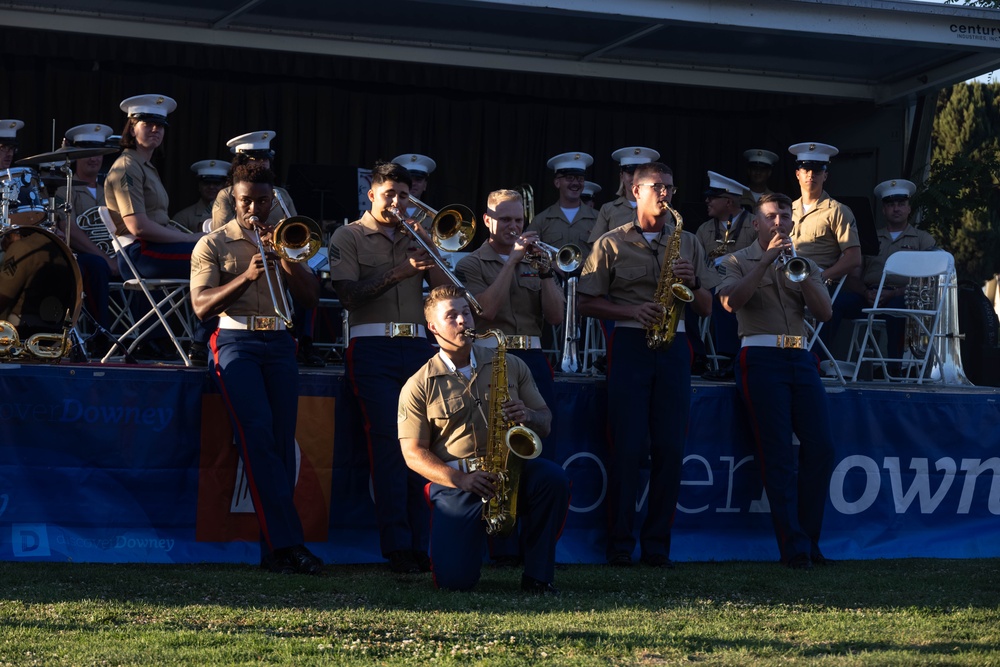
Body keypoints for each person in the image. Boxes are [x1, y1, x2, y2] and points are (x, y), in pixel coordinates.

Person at [577, 161, 713, 568]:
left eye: (670, 187)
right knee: (628, 446)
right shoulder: (610, 242)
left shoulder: (688, 241)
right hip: (631, 341)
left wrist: (692, 284)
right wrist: (632, 310)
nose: (665, 194)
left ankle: (657, 547)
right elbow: (584, 301)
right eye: (657, 187)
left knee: (670, 449)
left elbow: (708, 307)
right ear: (635, 192)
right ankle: (620, 544)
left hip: (676, 345)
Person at [190, 160, 322, 575]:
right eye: (247, 200)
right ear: (233, 197)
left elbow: (311, 299)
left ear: (274, 200)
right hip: (235, 342)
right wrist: (246, 277)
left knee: (281, 443)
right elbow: (200, 307)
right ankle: (290, 544)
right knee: (259, 437)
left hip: (280, 341)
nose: (255, 209)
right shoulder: (212, 243)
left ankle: (275, 553)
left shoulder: (286, 239)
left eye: (263, 201)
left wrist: (286, 259)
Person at [397, 285, 570, 593]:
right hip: (459, 481)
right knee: (455, 583)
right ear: (432, 327)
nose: (463, 321)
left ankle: (538, 575)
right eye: (452, 316)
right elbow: (412, 454)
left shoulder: (512, 364)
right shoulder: (418, 384)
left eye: (466, 312)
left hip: (508, 469)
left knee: (552, 478)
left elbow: (545, 421)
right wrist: (459, 479)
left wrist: (528, 416)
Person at [327, 160, 447, 574]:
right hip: (372, 346)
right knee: (390, 443)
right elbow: (348, 296)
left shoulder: (416, 235)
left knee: (424, 443)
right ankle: (398, 545)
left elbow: (445, 296)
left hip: (417, 345)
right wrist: (400, 270)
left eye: (404, 196)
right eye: (389, 194)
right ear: (371, 194)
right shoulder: (349, 235)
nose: (397, 202)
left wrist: (430, 254)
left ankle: (423, 542)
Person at [717, 192, 835, 569]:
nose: (779, 223)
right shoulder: (736, 260)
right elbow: (731, 302)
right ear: (757, 223)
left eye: (785, 216)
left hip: (800, 356)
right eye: (771, 217)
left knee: (821, 448)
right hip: (760, 355)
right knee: (778, 453)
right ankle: (793, 548)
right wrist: (765, 261)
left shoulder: (802, 263)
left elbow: (825, 313)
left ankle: (810, 541)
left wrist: (799, 275)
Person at [103, 94, 212, 363]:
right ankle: (202, 344)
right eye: (147, 123)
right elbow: (138, 227)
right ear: (131, 127)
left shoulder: (145, 166)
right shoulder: (127, 166)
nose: (155, 130)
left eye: (160, 125)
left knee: (219, 257)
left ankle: (205, 341)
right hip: (141, 256)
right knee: (216, 263)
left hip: (154, 251)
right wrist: (193, 240)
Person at [455, 188, 564, 457]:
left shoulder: (536, 260)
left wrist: (547, 272)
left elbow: (556, 317)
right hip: (492, 358)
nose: (514, 226)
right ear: (487, 220)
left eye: (518, 220)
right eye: (505, 220)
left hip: (533, 357)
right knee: (495, 441)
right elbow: (486, 310)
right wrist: (512, 261)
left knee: (542, 438)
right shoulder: (471, 264)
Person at [840, 179, 937, 373]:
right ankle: (820, 362)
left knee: (897, 310)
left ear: (909, 208)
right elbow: (853, 276)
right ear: (884, 210)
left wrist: (894, 294)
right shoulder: (870, 238)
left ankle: (894, 369)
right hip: (869, 297)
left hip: (903, 298)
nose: (896, 209)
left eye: (901, 204)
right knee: (833, 305)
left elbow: (929, 280)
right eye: (891, 204)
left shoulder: (922, 239)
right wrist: (866, 292)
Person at [787, 142, 861, 352]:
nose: (811, 174)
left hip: (817, 280)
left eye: (817, 170)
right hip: (785, 277)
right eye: (806, 169)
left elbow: (853, 258)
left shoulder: (837, 211)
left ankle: (813, 359)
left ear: (825, 175)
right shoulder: (786, 210)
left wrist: (823, 275)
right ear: (797, 174)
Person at [53, 123, 120, 349]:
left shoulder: (110, 191)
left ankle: (146, 339)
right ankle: (101, 337)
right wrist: (106, 258)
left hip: (113, 257)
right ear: (76, 156)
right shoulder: (64, 190)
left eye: (98, 153)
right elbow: (71, 230)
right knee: (96, 265)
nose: (94, 159)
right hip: (83, 258)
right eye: (87, 154)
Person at [695, 171, 757, 381]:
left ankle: (730, 360)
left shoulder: (756, 224)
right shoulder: (704, 229)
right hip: (711, 284)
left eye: (712, 197)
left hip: (746, 286)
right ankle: (697, 356)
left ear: (728, 201)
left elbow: (765, 257)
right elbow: (697, 262)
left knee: (723, 297)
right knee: (685, 297)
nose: (707, 201)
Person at [210, 131, 297, 232]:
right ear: (241, 163)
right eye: (255, 159)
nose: (262, 162)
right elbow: (221, 233)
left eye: (265, 158)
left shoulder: (282, 193)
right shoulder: (226, 195)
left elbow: (294, 227)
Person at [527, 151, 598, 260]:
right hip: (552, 277)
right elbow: (528, 254)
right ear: (557, 183)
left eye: (580, 179)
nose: (575, 183)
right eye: (569, 178)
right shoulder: (541, 220)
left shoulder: (598, 219)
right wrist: (553, 265)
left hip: (588, 277)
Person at [586, 146, 660, 244]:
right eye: (631, 173)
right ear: (622, 176)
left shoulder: (661, 209)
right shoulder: (608, 210)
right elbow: (596, 246)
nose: (635, 179)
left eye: (641, 174)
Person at [173, 159, 227, 232]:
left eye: (216, 183)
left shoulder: (233, 214)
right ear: (199, 186)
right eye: (206, 183)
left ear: (224, 186)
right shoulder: (184, 217)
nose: (211, 187)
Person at [391, 153, 436, 224]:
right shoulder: (388, 212)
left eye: (418, 179)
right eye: (409, 180)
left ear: (425, 185)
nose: (413, 183)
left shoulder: (435, 218)